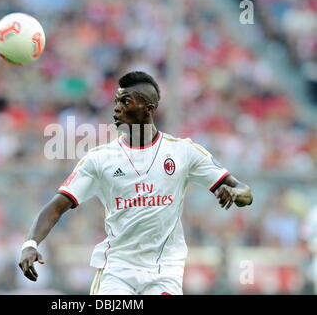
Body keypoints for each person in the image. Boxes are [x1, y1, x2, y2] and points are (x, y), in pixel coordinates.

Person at [18, 71, 253, 295]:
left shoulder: (183, 152)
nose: (117, 108)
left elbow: (245, 192)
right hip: (118, 271)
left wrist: (234, 194)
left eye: (126, 102)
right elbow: (57, 206)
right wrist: (30, 243)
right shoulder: (99, 160)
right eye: (117, 101)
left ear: (148, 108)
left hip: (164, 270)